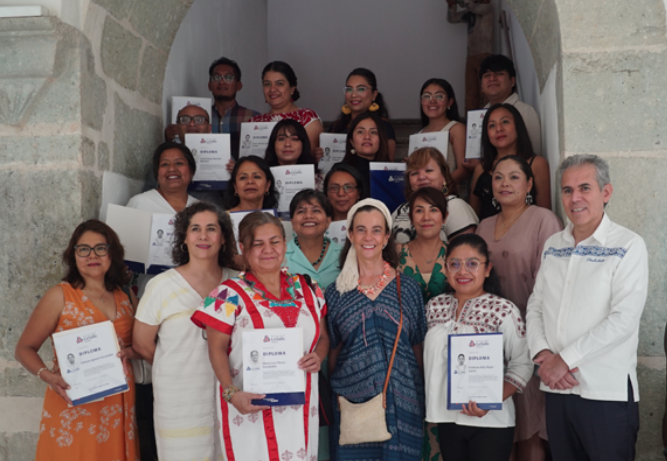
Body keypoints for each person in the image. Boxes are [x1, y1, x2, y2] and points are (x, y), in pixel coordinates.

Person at [526, 154, 648, 461]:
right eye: (567, 190)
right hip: (558, 390)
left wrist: (564, 360)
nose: (575, 198)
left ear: (606, 192)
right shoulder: (553, 244)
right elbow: (536, 304)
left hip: (604, 393)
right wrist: (543, 354)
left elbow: (623, 320)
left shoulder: (628, 245)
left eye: (585, 188)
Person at [191, 211, 329, 460]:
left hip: (300, 407)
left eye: (275, 241)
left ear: (285, 244)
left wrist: (318, 356)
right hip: (248, 406)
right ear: (243, 248)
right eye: (258, 244)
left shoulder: (308, 288)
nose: (268, 250)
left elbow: (323, 337)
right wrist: (231, 393)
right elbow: (215, 349)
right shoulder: (226, 295)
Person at [14, 220, 140, 460]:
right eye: (83, 249)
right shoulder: (59, 296)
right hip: (73, 400)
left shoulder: (126, 296)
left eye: (100, 248)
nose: (92, 255)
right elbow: (23, 349)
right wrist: (47, 376)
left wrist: (130, 353)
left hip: (118, 401)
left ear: (112, 253)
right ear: (73, 255)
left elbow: (141, 346)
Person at [132, 202, 239, 461]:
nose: (203, 236)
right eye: (195, 229)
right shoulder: (161, 285)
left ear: (224, 238)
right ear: (184, 237)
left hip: (230, 393)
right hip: (179, 399)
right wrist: (175, 368)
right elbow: (142, 343)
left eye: (211, 229)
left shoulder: (237, 283)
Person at [476, 155, 562, 461]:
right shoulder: (484, 225)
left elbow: (550, 284)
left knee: (531, 422)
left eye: (514, 177)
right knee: (500, 425)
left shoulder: (544, 220)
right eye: (498, 177)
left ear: (529, 184)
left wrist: (538, 339)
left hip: (531, 334)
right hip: (492, 339)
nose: (505, 183)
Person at [326, 198, 427, 461]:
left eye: (376, 230)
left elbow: (417, 347)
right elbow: (333, 353)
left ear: (386, 237)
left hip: (403, 402)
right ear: (350, 235)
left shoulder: (408, 288)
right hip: (353, 404)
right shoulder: (337, 292)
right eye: (361, 229)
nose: (368, 237)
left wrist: (421, 397)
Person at [424, 234, 533, 461]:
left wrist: (491, 399)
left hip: (491, 421)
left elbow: (522, 363)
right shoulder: (434, 307)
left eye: (472, 264)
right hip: (446, 419)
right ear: (445, 269)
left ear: (487, 269)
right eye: (455, 264)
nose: (463, 271)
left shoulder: (503, 310)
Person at [470, 104, 551, 220]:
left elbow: (545, 215)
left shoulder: (537, 164)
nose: (499, 129)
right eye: (492, 125)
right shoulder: (481, 169)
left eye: (505, 122)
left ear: (518, 126)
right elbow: (473, 218)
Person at [393, 147, 478, 243]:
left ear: (444, 175)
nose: (421, 177)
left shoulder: (455, 206)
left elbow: (465, 250)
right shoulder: (401, 209)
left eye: (428, 170)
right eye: (414, 173)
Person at [416, 78, 478, 197]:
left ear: (449, 102)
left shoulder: (456, 128)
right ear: (421, 102)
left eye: (439, 96)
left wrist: (442, 185)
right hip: (423, 196)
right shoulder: (418, 135)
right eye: (427, 96)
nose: (432, 101)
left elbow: (464, 169)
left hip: (447, 195)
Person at [251, 61, 324, 152]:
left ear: (292, 88)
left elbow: (309, 157)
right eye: (267, 84)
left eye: (279, 83)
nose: (272, 89)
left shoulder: (307, 118)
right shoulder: (254, 122)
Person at [327, 68, 397, 161]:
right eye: (349, 89)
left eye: (361, 89)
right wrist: (319, 156)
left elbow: (387, 164)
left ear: (374, 94)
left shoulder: (383, 126)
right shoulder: (335, 126)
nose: (354, 95)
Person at [480, 54, 542, 155]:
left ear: (512, 81)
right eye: (487, 75)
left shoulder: (525, 111)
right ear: (482, 86)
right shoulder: (480, 115)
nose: (492, 78)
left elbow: (534, 153)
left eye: (499, 73)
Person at [397, 187, 449, 304]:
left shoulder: (455, 253)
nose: (426, 217)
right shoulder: (397, 253)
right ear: (411, 218)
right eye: (419, 211)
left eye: (433, 210)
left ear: (444, 217)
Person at [284, 189, 342, 290]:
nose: (308, 216)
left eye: (316, 210)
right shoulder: (279, 256)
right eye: (301, 211)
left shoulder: (344, 254)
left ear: (328, 221)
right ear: (292, 222)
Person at [128, 142, 199, 213]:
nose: (171, 169)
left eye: (178, 163)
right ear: (157, 172)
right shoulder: (140, 203)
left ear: (191, 171)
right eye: (165, 164)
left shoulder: (200, 209)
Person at [264, 118, 323, 190]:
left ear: (303, 144)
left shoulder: (318, 179)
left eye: (294, 139)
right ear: (273, 144)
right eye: (281, 139)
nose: (287, 144)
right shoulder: (262, 176)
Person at [340, 111, 391, 191]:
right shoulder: (340, 171)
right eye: (360, 132)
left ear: (381, 140)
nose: (367, 137)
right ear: (351, 141)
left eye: (373, 132)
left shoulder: (392, 172)